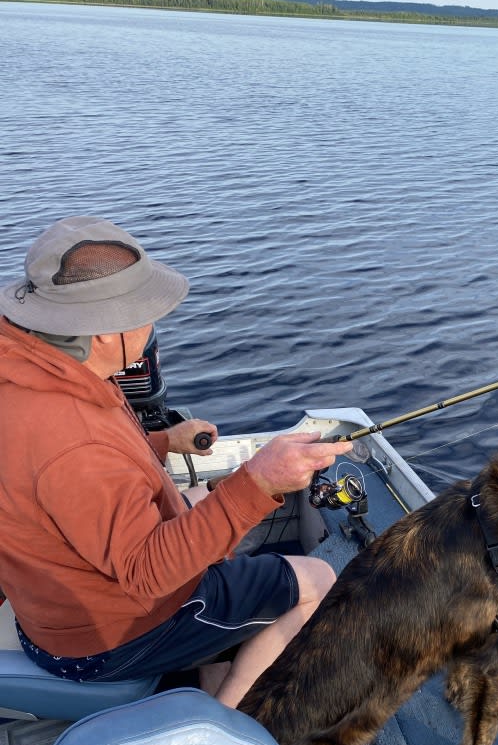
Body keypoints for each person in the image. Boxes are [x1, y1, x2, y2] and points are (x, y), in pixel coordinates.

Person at [0, 216, 352, 709]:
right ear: (104, 333)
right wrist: (258, 482)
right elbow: (148, 573)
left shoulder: (32, 371)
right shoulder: (74, 447)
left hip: (50, 605)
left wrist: (164, 441)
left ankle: (211, 662)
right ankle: (222, 719)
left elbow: (75, 472)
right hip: (105, 639)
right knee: (319, 582)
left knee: (196, 500)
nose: (151, 326)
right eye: (144, 313)